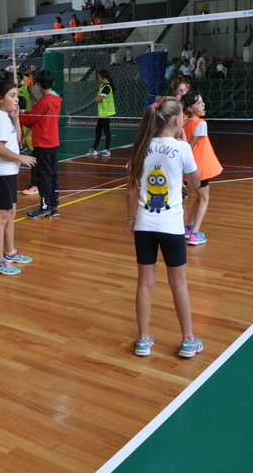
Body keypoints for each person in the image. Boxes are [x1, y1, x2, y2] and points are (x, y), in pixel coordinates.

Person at [126, 96, 203, 358]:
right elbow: (196, 184)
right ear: (177, 120)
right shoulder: (182, 148)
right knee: (178, 284)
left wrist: (131, 220)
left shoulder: (142, 146)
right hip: (171, 227)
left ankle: (143, 340)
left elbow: (131, 188)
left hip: (144, 225)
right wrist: (186, 146)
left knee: (144, 284)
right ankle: (188, 340)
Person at [0, 80, 36, 275]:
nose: (16, 100)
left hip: (8, 173)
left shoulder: (5, 116)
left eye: (17, 96)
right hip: (1, 174)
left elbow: (15, 141)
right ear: (0, 99)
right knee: (0, 218)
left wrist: (15, 118)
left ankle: (10, 252)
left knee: (11, 214)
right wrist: (21, 158)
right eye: (12, 96)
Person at [181, 92, 222, 245]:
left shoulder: (183, 121)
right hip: (198, 167)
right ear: (190, 108)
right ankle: (194, 234)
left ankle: (188, 228)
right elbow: (190, 147)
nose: (203, 105)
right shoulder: (200, 124)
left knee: (200, 198)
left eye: (202, 102)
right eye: (198, 103)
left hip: (186, 167)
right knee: (204, 199)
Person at [20, 70, 62, 220]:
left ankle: (45, 208)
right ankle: (53, 206)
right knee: (52, 175)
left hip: (43, 144)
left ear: (39, 85)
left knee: (44, 177)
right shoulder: (56, 99)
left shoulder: (44, 101)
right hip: (53, 142)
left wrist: (16, 114)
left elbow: (29, 118)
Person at [88, 69, 115, 157]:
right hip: (102, 112)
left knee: (106, 130)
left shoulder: (107, 87)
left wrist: (97, 98)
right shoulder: (102, 86)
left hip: (106, 112)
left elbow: (98, 99)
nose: (98, 77)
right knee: (98, 130)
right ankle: (94, 148)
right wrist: (97, 98)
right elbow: (98, 98)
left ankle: (107, 150)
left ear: (103, 77)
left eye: (99, 76)